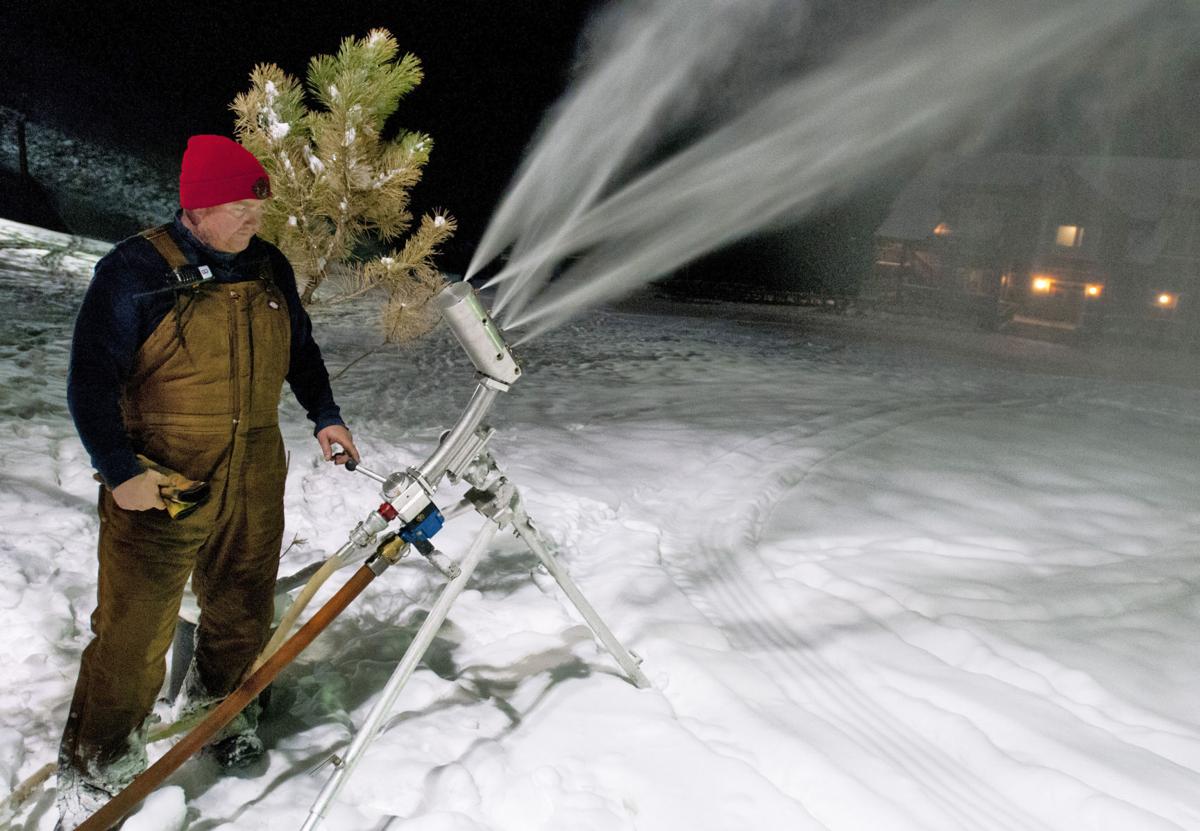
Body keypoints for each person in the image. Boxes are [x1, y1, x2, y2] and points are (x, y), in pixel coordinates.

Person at [56, 134, 360, 830]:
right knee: (132, 632)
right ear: (194, 208)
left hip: (254, 468)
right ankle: (96, 764)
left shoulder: (269, 266)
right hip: (162, 477)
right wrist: (118, 468)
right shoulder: (133, 269)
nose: (253, 221)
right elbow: (88, 381)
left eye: (258, 207)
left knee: (242, 608)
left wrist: (325, 415)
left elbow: (301, 352)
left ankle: (220, 712)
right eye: (237, 209)